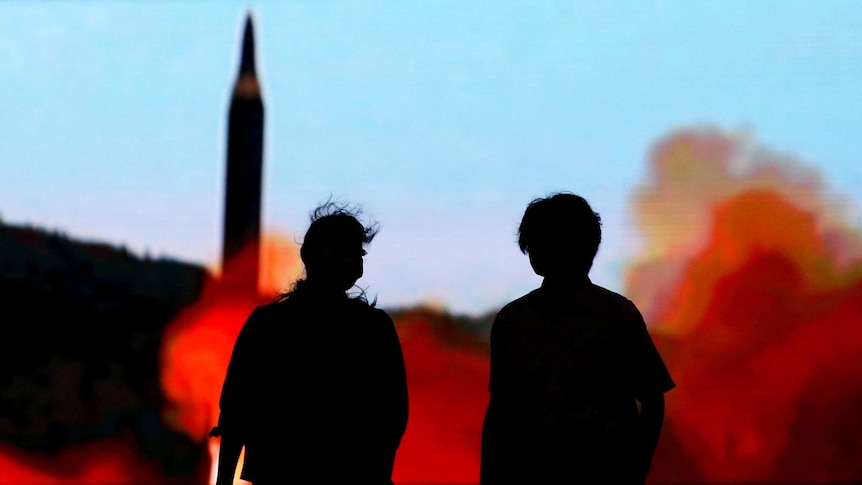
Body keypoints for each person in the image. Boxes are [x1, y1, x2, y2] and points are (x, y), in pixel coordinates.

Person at [480, 192, 675, 485]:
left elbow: (652, 400)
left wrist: (636, 469)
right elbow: (501, 412)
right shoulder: (513, 321)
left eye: (546, 242)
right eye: (535, 243)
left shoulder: (618, 317)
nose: (537, 251)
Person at [210, 201, 409, 485]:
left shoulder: (372, 328)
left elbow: (390, 419)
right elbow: (236, 415)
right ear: (311, 255)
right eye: (341, 251)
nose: (350, 261)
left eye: (355, 253)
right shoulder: (371, 328)